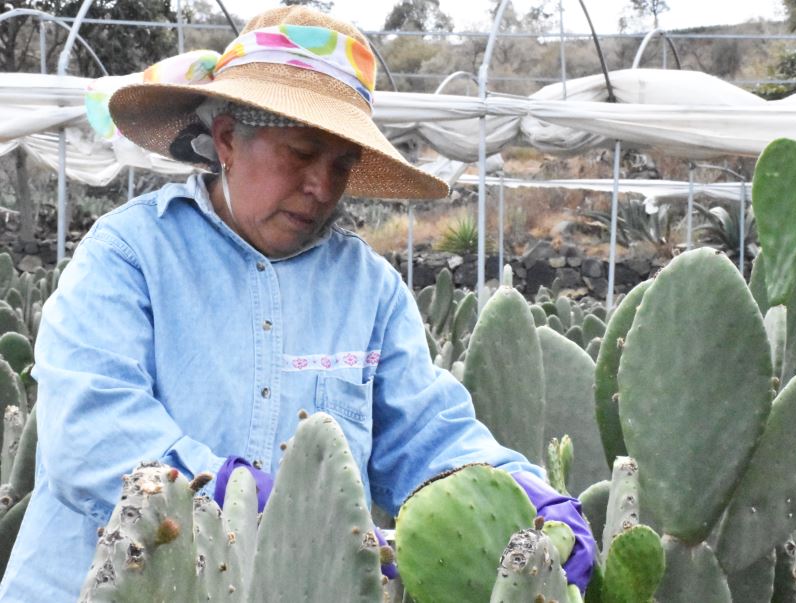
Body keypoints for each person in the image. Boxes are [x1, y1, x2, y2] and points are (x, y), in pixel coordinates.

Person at [0, 7, 595, 601]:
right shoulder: (128, 255)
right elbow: (90, 429)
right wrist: (233, 495)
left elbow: (425, 434)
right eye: (301, 153)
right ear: (229, 138)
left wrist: (519, 490)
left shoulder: (369, 290)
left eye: (341, 164)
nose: (322, 186)